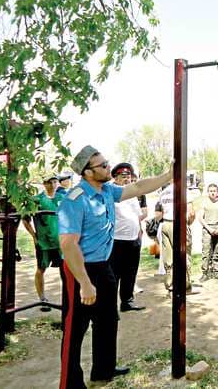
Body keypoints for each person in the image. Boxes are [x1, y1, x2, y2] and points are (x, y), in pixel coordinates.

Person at [57, 145, 172, 388]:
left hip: (103, 266)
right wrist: (85, 284)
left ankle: (103, 370)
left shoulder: (107, 190)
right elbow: (68, 245)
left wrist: (168, 175)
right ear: (88, 172)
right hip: (79, 270)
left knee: (108, 321)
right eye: (103, 165)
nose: (109, 167)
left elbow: (139, 187)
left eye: (106, 162)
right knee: (75, 329)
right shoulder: (75, 199)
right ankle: (70, 382)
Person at [22, 175, 65, 311]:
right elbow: (25, 219)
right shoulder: (37, 200)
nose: (52, 185)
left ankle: (68, 297)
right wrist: (34, 236)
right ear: (44, 184)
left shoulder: (62, 199)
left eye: (54, 182)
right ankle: (42, 298)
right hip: (44, 242)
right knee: (41, 269)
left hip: (61, 242)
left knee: (65, 269)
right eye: (49, 182)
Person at [109, 163, 146, 312]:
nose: (127, 179)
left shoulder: (132, 194)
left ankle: (127, 301)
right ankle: (111, 307)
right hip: (117, 241)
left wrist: (139, 233)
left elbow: (137, 216)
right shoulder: (112, 194)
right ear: (116, 178)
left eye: (129, 176)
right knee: (114, 275)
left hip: (133, 240)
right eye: (123, 177)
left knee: (130, 273)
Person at [156, 182, 196, 294]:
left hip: (166, 224)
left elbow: (161, 212)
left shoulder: (164, 192)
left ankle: (170, 283)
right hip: (179, 224)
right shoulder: (184, 190)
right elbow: (191, 213)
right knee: (184, 254)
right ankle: (185, 285)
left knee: (168, 256)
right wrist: (188, 223)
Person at [198, 183, 218, 281]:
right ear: (208, 192)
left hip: (217, 228)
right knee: (206, 252)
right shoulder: (204, 203)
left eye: (214, 191)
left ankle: (216, 271)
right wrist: (209, 229)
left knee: (216, 251)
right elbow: (200, 218)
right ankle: (205, 273)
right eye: (211, 191)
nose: (213, 193)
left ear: (217, 192)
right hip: (207, 229)